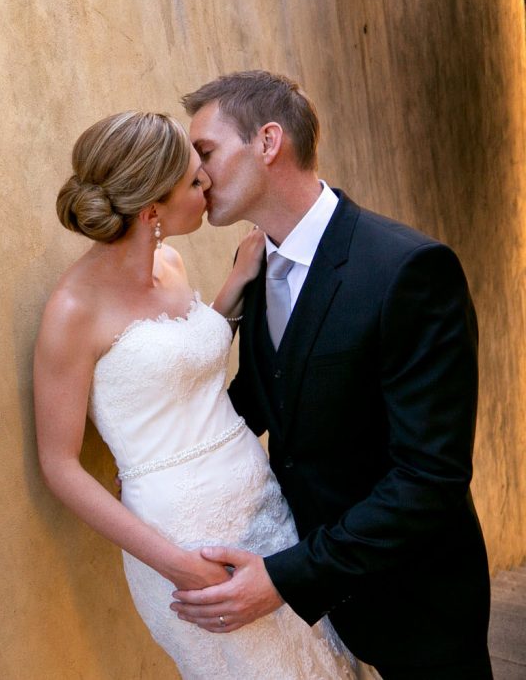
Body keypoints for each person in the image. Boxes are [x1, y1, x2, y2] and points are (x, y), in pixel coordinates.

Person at [169, 71, 492, 679]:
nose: (199, 174)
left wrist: (287, 577)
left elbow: (430, 478)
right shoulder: (258, 267)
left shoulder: (410, 271)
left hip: (417, 605)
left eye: (206, 151)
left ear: (268, 142)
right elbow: (255, 408)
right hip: (320, 619)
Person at [34, 111, 365, 678]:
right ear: (151, 210)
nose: (207, 183)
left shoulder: (170, 263)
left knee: (322, 665)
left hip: (262, 502)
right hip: (184, 536)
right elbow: (59, 465)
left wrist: (235, 286)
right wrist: (179, 565)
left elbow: (181, 363)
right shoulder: (73, 312)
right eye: (193, 180)